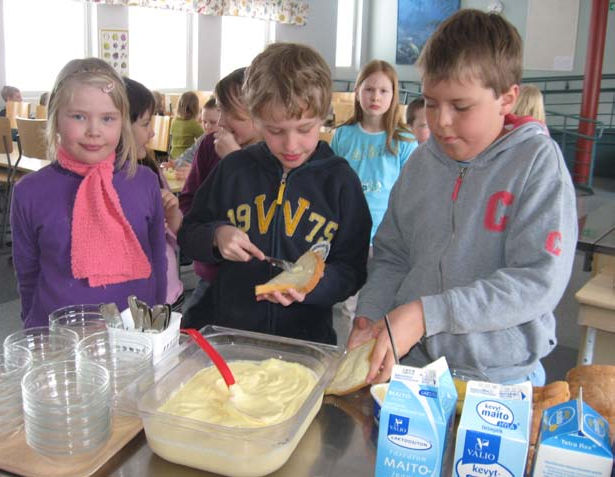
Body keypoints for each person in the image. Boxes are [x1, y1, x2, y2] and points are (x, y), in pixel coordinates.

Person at [348, 9, 577, 386]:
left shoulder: (536, 164)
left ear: (507, 98)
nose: (441, 121)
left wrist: (427, 314)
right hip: (414, 367)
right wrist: (370, 313)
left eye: (461, 106)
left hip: (502, 376)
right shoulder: (421, 163)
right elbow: (392, 254)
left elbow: (537, 280)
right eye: (431, 103)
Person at [177, 43, 372, 345]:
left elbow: (352, 269)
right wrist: (216, 236)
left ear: (324, 116)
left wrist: (316, 285)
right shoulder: (234, 170)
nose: (291, 145)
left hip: (307, 341)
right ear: (256, 119)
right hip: (232, 335)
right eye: (276, 131)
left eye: (305, 129)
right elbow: (189, 233)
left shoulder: (341, 181)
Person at [10, 58, 167, 328]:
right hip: (60, 338)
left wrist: (155, 324)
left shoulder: (145, 181)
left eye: (108, 119)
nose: (94, 131)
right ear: (56, 120)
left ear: (121, 124)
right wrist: (34, 332)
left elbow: (158, 259)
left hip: (133, 337)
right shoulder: (28, 192)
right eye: (79, 116)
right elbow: (27, 273)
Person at [330, 60, 417, 320]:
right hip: (350, 233)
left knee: (381, 302)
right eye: (369, 89)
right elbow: (331, 183)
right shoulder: (343, 135)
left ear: (394, 96)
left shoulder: (404, 140)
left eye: (383, 91)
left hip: (386, 236)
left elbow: (411, 193)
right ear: (357, 92)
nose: (375, 97)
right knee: (350, 304)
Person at [177, 67, 263, 309]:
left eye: (232, 114)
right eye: (221, 111)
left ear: (259, 115)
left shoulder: (279, 156)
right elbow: (188, 205)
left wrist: (235, 161)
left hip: (262, 283)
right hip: (213, 275)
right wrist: (214, 235)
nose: (222, 122)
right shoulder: (208, 145)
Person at [124, 77, 184, 312]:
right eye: (146, 124)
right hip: (131, 304)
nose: (152, 134)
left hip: (167, 294)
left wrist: (171, 213)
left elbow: (177, 232)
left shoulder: (150, 170)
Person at [170, 97, 220, 180]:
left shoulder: (225, 143)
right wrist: (176, 163)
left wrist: (195, 171)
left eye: (213, 122)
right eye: (204, 122)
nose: (207, 126)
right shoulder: (203, 138)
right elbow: (188, 155)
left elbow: (219, 173)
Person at [169, 91, 203, 159]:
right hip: (186, 157)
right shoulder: (193, 124)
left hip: (172, 155)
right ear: (195, 108)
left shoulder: (174, 121)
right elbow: (204, 138)